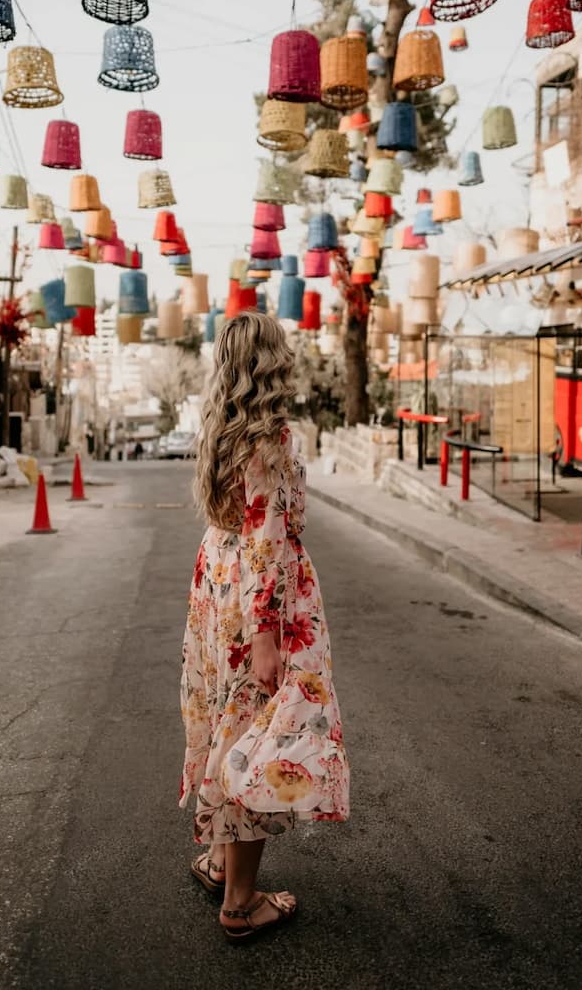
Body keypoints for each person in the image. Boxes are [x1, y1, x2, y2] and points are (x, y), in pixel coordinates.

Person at [180, 312, 349, 944]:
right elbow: (268, 541)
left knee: (228, 725)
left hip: (217, 586)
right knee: (259, 738)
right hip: (258, 603)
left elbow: (239, 533)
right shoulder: (272, 439)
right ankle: (241, 902)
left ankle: (222, 862)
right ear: (271, 365)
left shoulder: (220, 430)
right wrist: (267, 638)